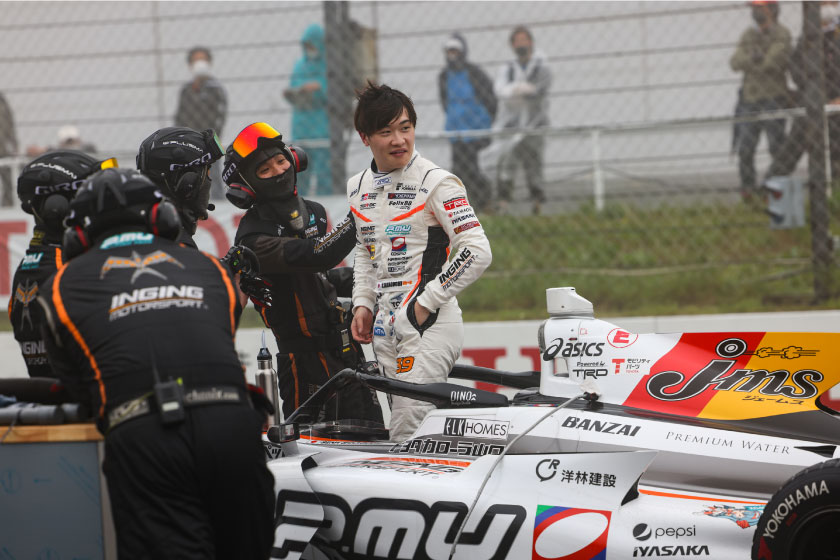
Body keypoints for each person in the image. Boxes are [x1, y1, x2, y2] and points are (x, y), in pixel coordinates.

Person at [38, 167, 274, 559]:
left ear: (77, 236)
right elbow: (217, 338)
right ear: (161, 216)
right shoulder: (212, 269)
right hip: (232, 423)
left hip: (145, 434)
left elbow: (79, 385)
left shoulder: (60, 287)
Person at [348, 83, 493, 441]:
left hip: (429, 325)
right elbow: (365, 250)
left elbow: (477, 250)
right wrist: (362, 302)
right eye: (386, 132)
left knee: (408, 433)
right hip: (385, 330)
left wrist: (425, 304)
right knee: (408, 434)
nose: (399, 140)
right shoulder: (357, 187)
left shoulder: (437, 181)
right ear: (365, 137)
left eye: (406, 127)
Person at [223, 122, 383, 425]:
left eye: (280, 161)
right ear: (246, 186)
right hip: (304, 365)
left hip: (348, 353)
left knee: (372, 434)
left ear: (294, 158)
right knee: (316, 446)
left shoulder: (315, 212)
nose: (278, 171)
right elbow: (318, 256)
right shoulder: (253, 237)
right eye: (265, 170)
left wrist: (379, 284)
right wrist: (364, 211)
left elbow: (318, 277)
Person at [9, 150, 117, 377]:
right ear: (57, 207)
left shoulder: (42, 263)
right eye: (89, 199)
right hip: (85, 394)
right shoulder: (65, 271)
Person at [765, 1, 840, 181]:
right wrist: (812, 87)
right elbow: (795, 64)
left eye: (830, 2)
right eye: (821, 3)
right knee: (796, 140)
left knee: (834, 144)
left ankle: (832, 186)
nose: (825, 6)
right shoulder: (810, 33)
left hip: (837, 102)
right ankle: (771, 183)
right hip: (815, 99)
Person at [730, 0, 791, 196]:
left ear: (772, 9)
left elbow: (772, 62)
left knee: (776, 145)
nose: (755, 11)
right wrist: (754, 58)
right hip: (750, 98)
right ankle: (748, 189)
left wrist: (753, 60)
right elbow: (734, 62)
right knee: (746, 147)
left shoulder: (781, 33)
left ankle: (776, 188)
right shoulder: (748, 34)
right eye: (754, 8)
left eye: (760, 7)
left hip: (774, 97)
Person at [493, 25, 552, 215]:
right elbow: (500, 90)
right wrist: (518, 89)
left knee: (533, 162)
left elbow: (540, 90)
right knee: (508, 162)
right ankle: (503, 202)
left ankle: (537, 202)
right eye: (517, 41)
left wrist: (520, 90)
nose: (521, 44)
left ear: (531, 42)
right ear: (512, 45)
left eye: (524, 40)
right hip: (512, 125)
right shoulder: (508, 68)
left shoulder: (541, 66)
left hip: (535, 124)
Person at [438, 32, 497, 213]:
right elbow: (445, 102)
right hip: (456, 130)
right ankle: (468, 205)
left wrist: (484, 121)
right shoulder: (444, 76)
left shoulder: (475, 73)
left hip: (475, 129)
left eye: (455, 51)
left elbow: (490, 99)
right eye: (449, 52)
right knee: (458, 169)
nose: (452, 55)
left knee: (471, 167)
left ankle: (483, 199)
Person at [136, 126, 225, 247]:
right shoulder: (178, 245)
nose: (208, 181)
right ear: (188, 183)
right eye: (207, 173)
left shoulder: (135, 229)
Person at [175, 46, 228, 201]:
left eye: (203, 59)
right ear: (190, 64)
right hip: (188, 142)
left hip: (209, 141)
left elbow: (220, 116)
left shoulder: (215, 89)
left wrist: (212, 138)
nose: (200, 63)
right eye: (196, 60)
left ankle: (217, 202)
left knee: (213, 175)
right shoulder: (186, 90)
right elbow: (180, 115)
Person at [284, 23, 331, 196]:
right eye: (307, 45)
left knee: (324, 172)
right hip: (301, 126)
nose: (310, 49)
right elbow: (294, 88)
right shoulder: (300, 66)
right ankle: (300, 201)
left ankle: (326, 201)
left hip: (322, 127)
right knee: (300, 171)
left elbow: (333, 91)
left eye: (312, 44)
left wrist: (318, 88)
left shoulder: (328, 66)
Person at [0, 91, 18, 206]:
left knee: (8, 181)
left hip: (3, 150)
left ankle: (8, 204)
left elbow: (10, 124)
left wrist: (14, 145)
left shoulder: (2, 102)